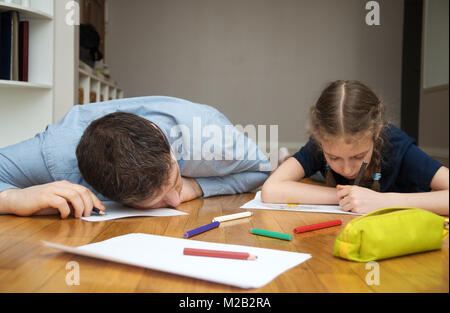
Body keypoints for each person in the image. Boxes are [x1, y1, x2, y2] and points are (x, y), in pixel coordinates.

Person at [0, 96, 271, 218]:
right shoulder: (54, 153)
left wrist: (197, 186)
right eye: (155, 202)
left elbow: (261, 171)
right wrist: (14, 198)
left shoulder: (211, 139)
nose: (176, 202)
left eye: (174, 182)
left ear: (159, 134)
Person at [261, 80, 449, 215]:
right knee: (315, 175)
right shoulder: (319, 144)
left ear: (375, 134)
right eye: (334, 157)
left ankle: (289, 158)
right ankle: (287, 158)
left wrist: (383, 201)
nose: (348, 169)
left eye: (358, 156)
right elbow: (271, 190)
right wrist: (346, 197)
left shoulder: (397, 146)